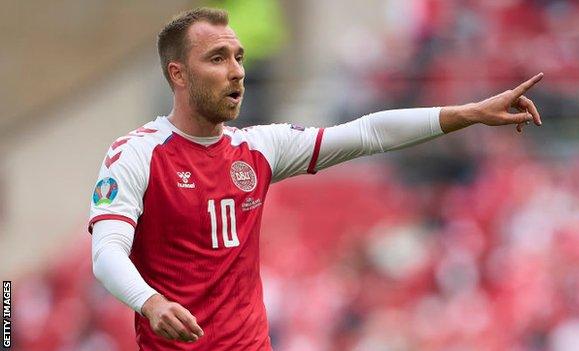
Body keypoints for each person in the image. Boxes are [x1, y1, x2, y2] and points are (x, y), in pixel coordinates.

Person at [88, 7, 543, 351]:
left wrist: (470, 113)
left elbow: (368, 133)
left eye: (239, 57)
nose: (237, 71)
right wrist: (149, 302)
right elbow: (107, 251)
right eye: (217, 58)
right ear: (178, 74)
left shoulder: (258, 148)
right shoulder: (137, 154)